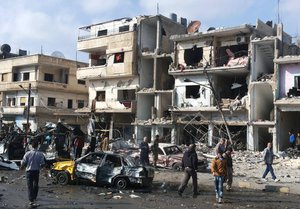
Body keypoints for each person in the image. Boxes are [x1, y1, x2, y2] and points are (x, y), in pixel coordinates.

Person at [20, 140, 45, 208]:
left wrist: (21, 168)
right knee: (36, 185)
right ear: (37, 146)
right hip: (36, 171)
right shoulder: (40, 154)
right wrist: (41, 168)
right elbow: (43, 164)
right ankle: (34, 197)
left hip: (29, 172)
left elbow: (24, 163)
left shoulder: (27, 153)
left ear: (31, 146)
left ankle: (31, 200)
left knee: (30, 186)